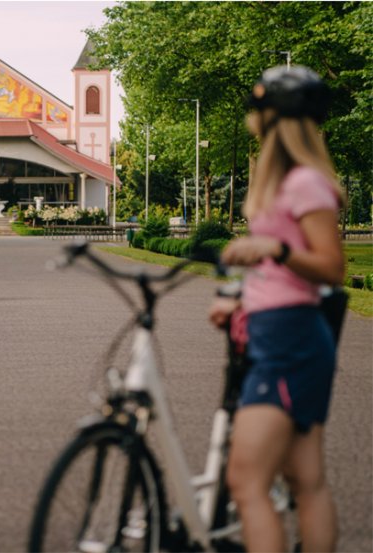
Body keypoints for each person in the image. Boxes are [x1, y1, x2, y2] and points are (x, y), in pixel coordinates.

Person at [208, 65, 344, 553]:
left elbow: (331, 265)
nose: (251, 118)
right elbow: (272, 261)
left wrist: (274, 249)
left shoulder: (304, 183)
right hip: (276, 330)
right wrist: (237, 295)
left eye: (256, 109)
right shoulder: (281, 180)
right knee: (307, 480)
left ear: (272, 118)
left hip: (290, 338)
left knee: (245, 481)